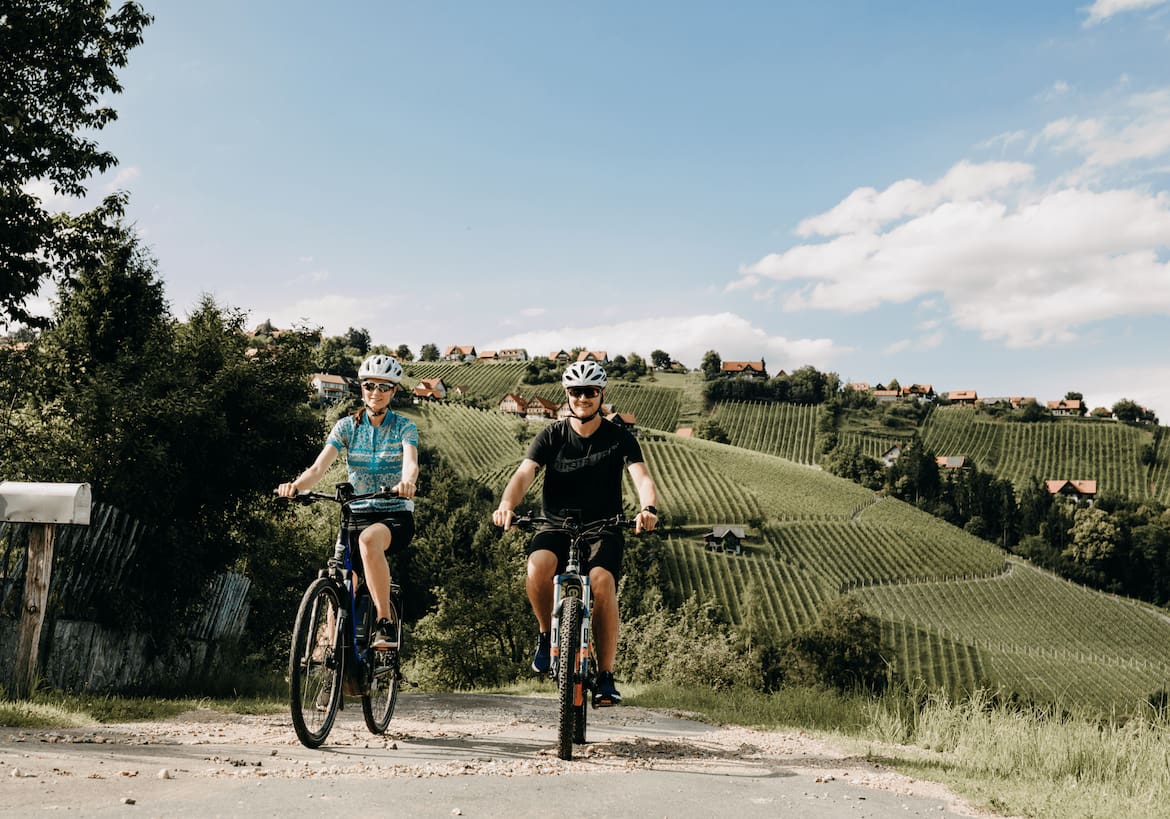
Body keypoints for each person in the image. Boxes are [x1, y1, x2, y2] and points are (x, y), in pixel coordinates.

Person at [492, 360, 659, 706]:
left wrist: (648, 509)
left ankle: (606, 675)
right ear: (567, 395)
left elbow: (641, 477)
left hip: (603, 526)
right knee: (537, 566)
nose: (583, 398)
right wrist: (507, 504)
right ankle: (545, 635)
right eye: (576, 392)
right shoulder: (551, 435)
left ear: (601, 395)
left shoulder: (619, 437)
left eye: (590, 391)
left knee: (602, 582)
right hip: (556, 524)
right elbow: (524, 474)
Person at [278, 354, 418, 650]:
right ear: (361, 388)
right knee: (343, 580)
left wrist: (407, 482)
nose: (376, 392)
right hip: (356, 513)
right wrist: (295, 486)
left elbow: (411, 462)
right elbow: (318, 468)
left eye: (384, 387)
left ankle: (384, 623)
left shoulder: (405, 427)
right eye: (370, 385)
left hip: (394, 513)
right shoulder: (346, 427)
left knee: (369, 541)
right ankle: (333, 656)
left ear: (393, 391)